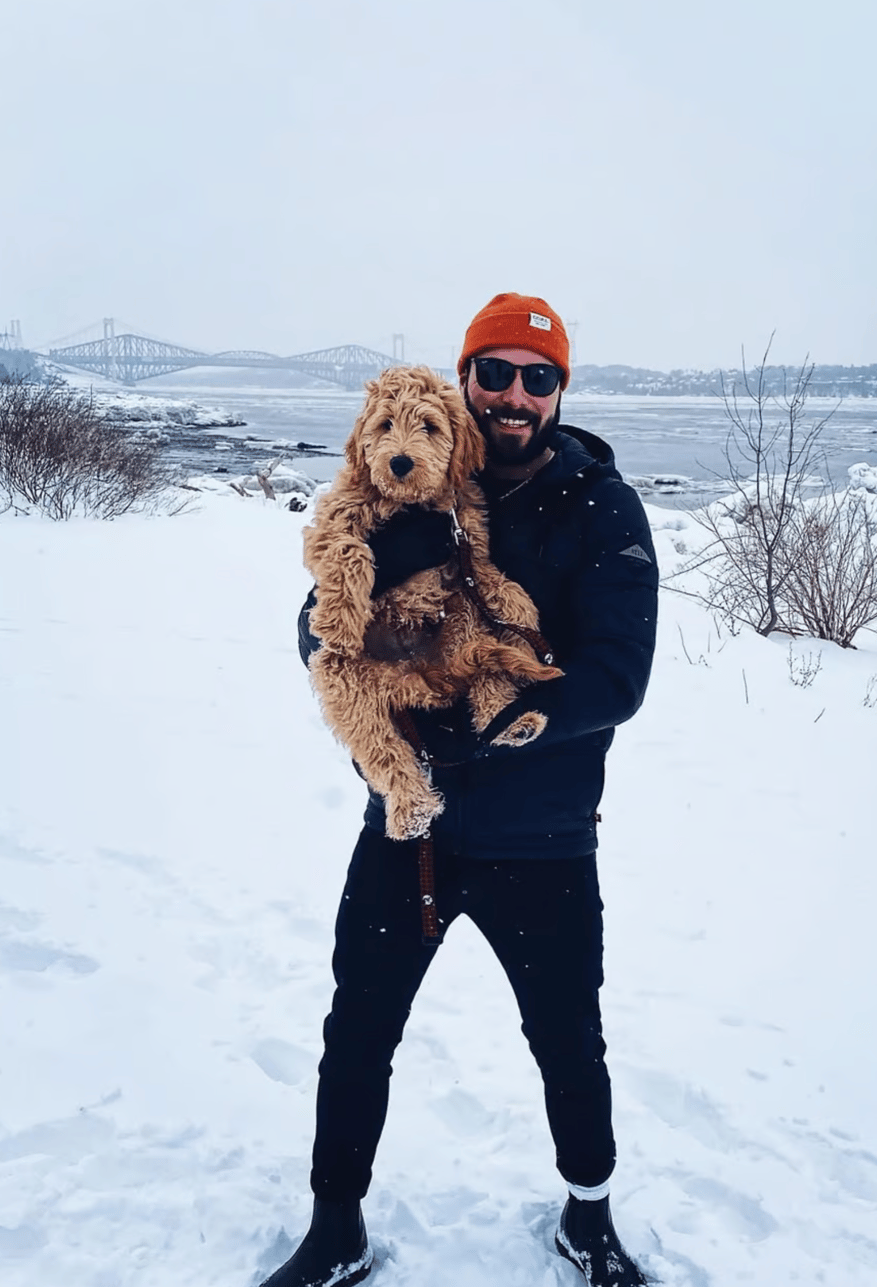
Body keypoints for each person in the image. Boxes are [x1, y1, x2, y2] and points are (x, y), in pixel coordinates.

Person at [261, 293, 658, 1287]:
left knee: (568, 1037)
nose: (515, 395)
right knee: (358, 1025)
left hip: (545, 834)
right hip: (410, 829)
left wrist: (496, 724)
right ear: (463, 380)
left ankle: (589, 1221)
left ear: (560, 390)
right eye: (495, 373)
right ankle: (334, 1224)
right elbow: (315, 633)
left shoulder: (600, 504)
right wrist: (346, 621)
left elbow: (618, 676)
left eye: (538, 376)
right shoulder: (403, 495)